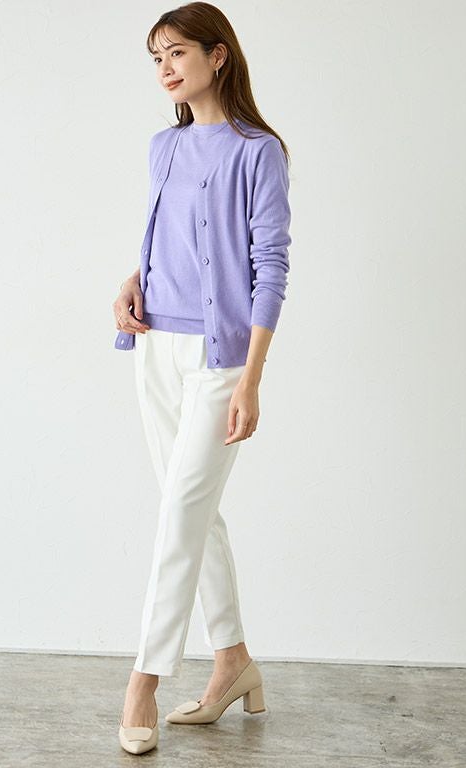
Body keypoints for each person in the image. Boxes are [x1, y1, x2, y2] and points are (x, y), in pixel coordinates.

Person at [112, 2, 292, 755]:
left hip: (221, 361)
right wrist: (132, 282)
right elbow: (166, 239)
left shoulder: (258, 151)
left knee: (180, 517)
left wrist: (252, 379)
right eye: (156, 58)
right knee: (192, 513)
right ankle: (233, 662)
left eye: (177, 52)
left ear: (218, 56)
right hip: (155, 347)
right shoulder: (164, 146)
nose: (165, 69)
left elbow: (269, 267)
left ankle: (144, 680)